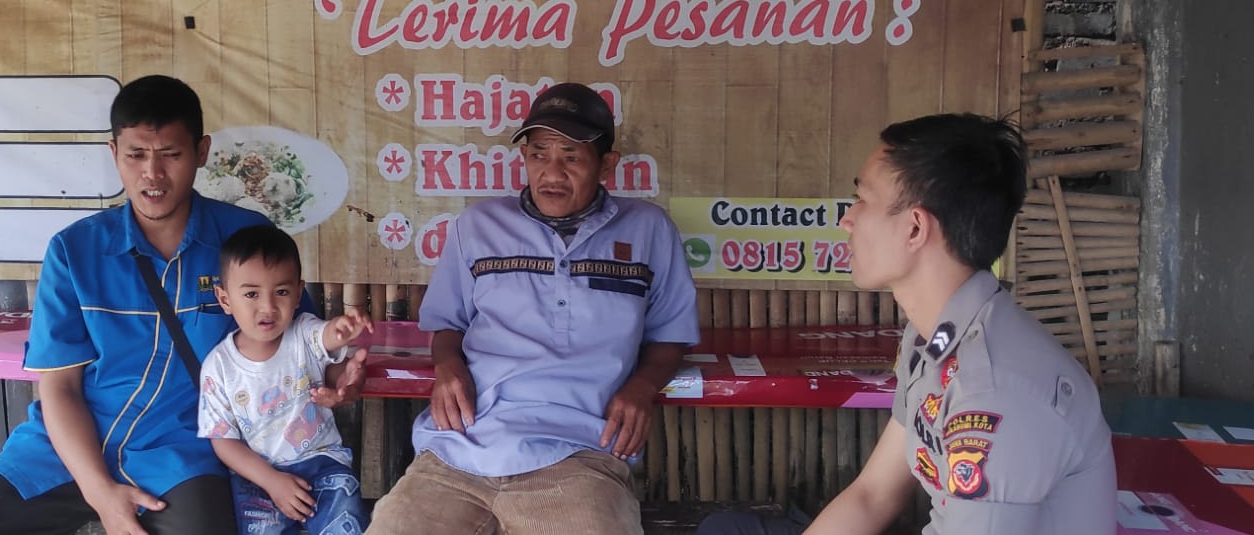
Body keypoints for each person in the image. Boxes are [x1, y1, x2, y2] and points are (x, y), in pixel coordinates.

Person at [0, 75, 364, 535]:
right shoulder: (74, 251)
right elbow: (59, 388)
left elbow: (297, 342)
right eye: (136, 155)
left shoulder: (245, 241)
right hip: (62, 449)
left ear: (201, 152)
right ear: (114, 153)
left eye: (170, 155)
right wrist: (100, 492)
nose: (152, 174)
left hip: (181, 454)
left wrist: (337, 379)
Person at [701, 113, 1116, 535]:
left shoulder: (995, 393)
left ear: (915, 228)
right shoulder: (933, 335)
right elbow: (873, 495)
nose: (847, 220)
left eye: (862, 199)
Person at [367, 82, 700, 535]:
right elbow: (447, 324)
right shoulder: (478, 226)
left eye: (571, 157)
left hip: (579, 453)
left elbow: (670, 335)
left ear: (606, 165)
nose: (552, 172)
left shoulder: (649, 230)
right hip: (460, 448)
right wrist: (448, 367)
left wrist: (642, 387)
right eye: (539, 154)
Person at [198, 224, 373, 535]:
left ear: (298, 293)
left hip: (322, 465)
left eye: (281, 292)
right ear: (225, 299)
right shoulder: (219, 367)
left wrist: (343, 328)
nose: (267, 307)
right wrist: (271, 481)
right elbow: (223, 441)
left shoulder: (303, 333)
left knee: (345, 519)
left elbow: (327, 335)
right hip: (259, 478)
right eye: (251, 294)